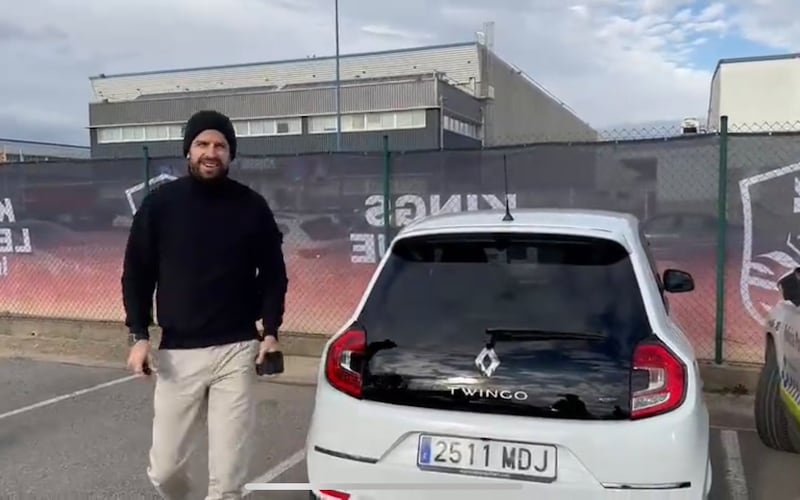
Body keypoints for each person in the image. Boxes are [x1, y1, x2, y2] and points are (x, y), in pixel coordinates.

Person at [121, 109, 289, 500]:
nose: (211, 152)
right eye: (202, 144)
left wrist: (271, 332)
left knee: (228, 481)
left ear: (230, 153)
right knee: (165, 471)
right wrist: (138, 334)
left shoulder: (252, 206)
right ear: (188, 150)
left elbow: (274, 274)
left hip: (237, 350)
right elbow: (136, 273)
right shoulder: (160, 205)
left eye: (220, 145)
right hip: (178, 354)